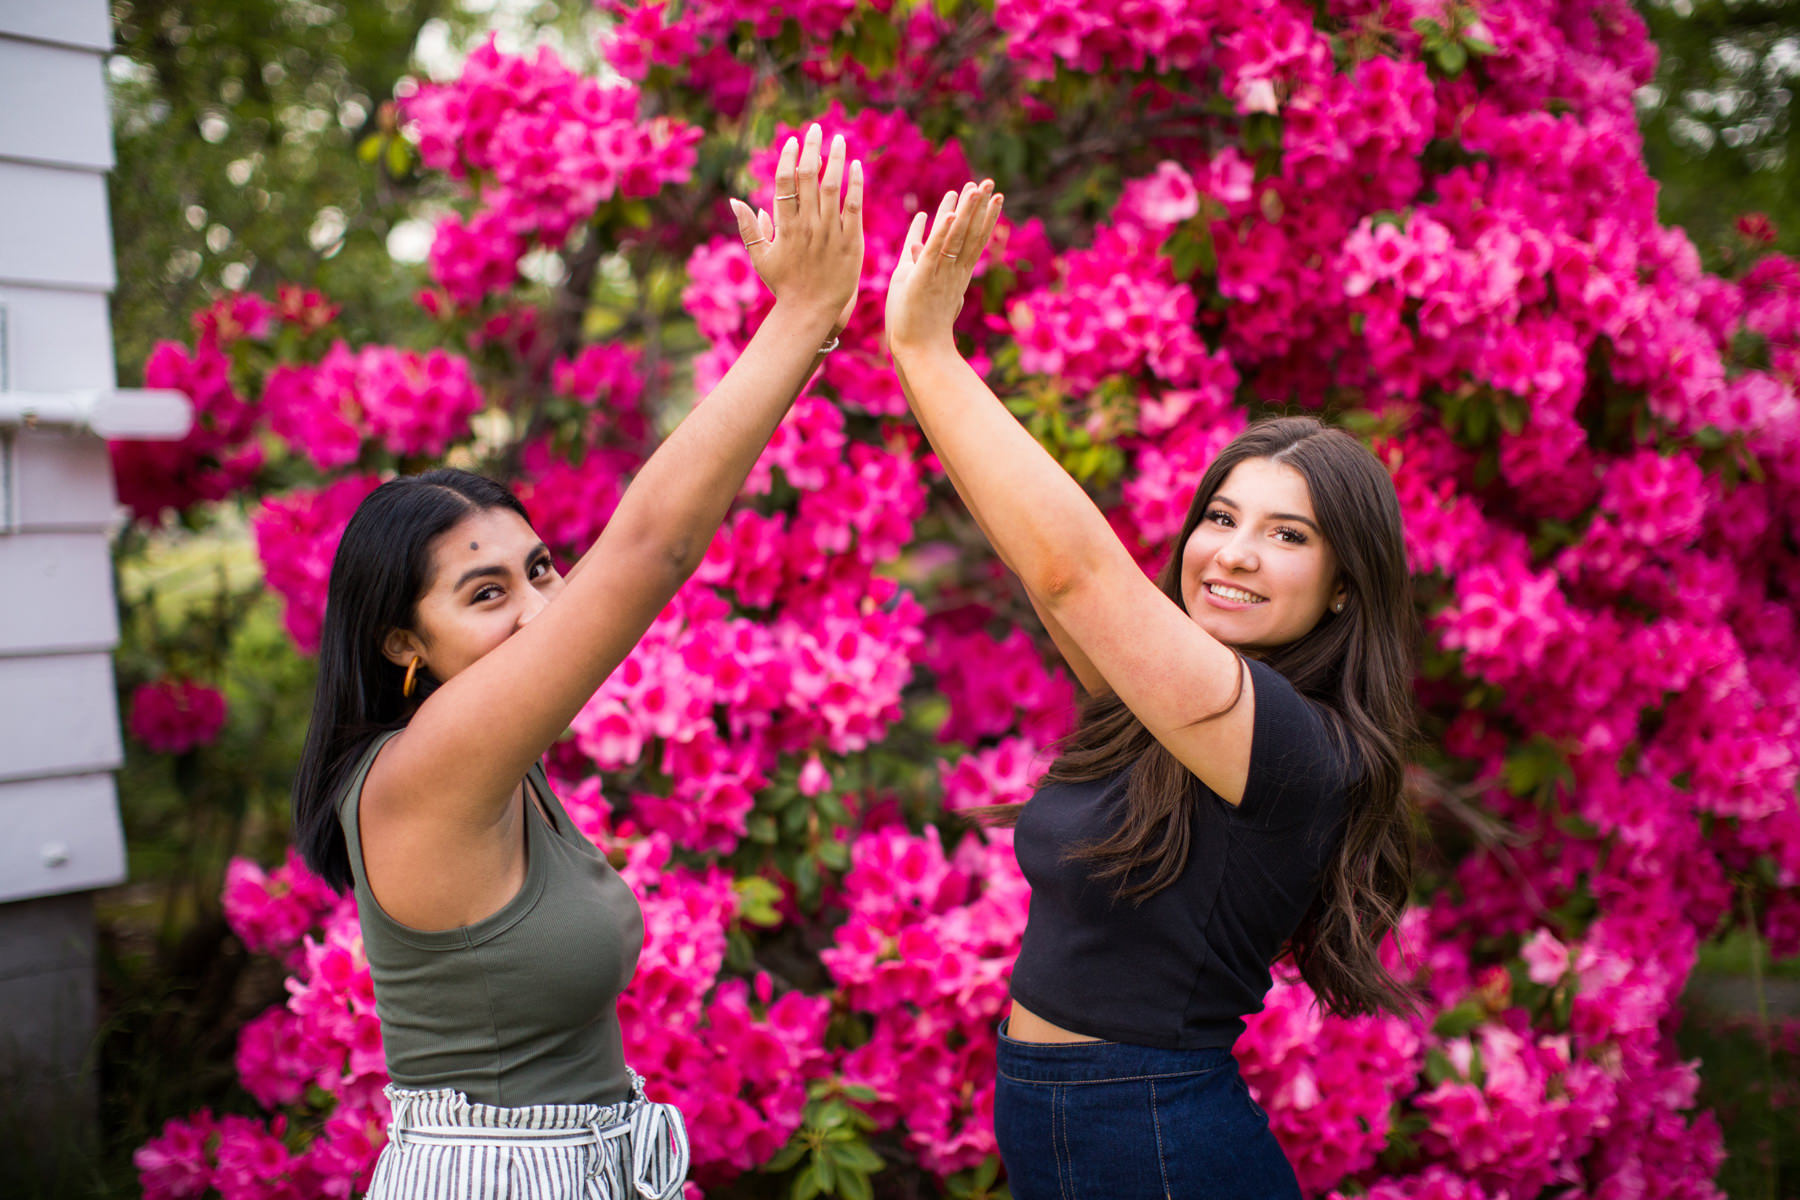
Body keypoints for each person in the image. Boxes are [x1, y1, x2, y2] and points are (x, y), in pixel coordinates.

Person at [290, 125, 863, 1200]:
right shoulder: (428, 766)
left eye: (540, 568)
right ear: (402, 645)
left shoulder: (506, 763)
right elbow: (652, 548)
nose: (540, 608)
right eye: (485, 592)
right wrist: (800, 318)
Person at [885, 183, 1419, 1199]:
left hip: (1158, 1144)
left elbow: (1074, 573)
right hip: (1074, 1128)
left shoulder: (1294, 744)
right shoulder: (1167, 707)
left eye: (1288, 536)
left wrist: (929, 351)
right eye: (1221, 517)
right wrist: (909, 365)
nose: (1234, 555)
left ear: (1347, 583)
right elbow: (1036, 556)